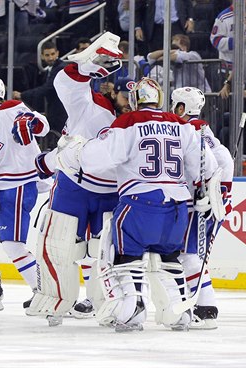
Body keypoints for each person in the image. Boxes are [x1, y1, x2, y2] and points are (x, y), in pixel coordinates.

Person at [54, 77, 219, 332]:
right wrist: (202, 192)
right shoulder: (182, 125)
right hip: (177, 208)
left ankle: (132, 309)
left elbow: (98, 158)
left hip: (140, 202)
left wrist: (72, 150)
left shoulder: (128, 122)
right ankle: (178, 311)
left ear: (135, 100)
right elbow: (206, 165)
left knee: (121, 255)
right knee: (170, 257)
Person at [28, 32, 126, 323]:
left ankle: (106, 301)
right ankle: (55, 298)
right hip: (73, 184)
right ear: (111, 89)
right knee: (58, 243)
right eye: (124, 93)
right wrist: (84, 68)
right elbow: (64, 84)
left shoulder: (137, 122)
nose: (129, 101)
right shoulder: (91, 104)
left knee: (104, 248)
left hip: (111, 190)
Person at [0, 76, 50, 312]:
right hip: (1, 188)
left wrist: (31, 123)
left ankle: (43, 292)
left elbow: (42, 125)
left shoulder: (10, 108)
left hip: (21, 185)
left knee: (13, 244)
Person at [170, 87, 233, 330]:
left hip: (198, 206)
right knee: (192, 257)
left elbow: (207, 169)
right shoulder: (210, 137)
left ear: (182, 108)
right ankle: (200, 306)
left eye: (175, 105)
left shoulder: (188, 133)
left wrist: (204, 198)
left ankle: (205, 311)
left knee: (188, 256)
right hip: (213, 207)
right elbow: (224, 171)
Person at [13, 41, 67, 133]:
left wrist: (22, 95)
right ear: (42, 56)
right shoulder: (48, 70)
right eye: (47, 55)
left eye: (53, 54)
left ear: (57, 53)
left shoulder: (60, 68)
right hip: (54, 111)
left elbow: (47, 88)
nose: (50, 58)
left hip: (61, 112)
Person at [147, 34, 212, 92]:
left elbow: (177, 56)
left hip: (200, 94)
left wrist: (164, 56)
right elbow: (150, 57)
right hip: (182, 95)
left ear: (184, 47)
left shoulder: (194, 55)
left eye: (175, 47)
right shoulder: (171, 54)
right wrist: (169, 50)